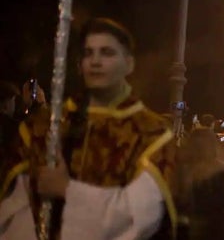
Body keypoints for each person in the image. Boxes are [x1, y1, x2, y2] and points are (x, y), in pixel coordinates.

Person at [0, 17, 175, 239]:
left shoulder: (152, 134)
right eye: (88, 53)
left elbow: (142, 217)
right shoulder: (43, 127)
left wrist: (68, 190)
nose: (95, 61)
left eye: (107, 53)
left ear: (129, 63)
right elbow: (13, 210)